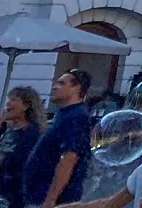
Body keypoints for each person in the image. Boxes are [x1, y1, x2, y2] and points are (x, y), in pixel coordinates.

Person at [25, 70, 94, 208]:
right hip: (40, 195)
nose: (54, 87)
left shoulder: (77, 117)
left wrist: (51, 199)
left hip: (55, 200)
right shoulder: (65, 114)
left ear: (77, 88)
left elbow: (69, 158)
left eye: (61, 83)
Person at [0, 87, 46, 208]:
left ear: (26, 106)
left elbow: (25, 161)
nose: (8, 103)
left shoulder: (32, 132)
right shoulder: (9, 129)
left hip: (18, 191)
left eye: (13, 100)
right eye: (8, 99)